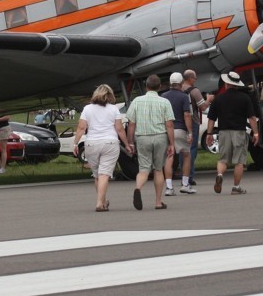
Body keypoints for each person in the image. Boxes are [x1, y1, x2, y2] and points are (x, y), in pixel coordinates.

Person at [73, 84, 133, 212]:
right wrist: (127, 144)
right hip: (110, 143)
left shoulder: (87, 109)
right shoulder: (113, 109)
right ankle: (100, 203)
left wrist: (75, 143)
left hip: (91, 144)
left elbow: (81, 128)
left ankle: (103, 201)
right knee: (104, 174)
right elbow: (119, 129)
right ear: (110, 95)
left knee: (97, 175)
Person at [124, 74, 174, 210]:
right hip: (160, 137)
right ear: (159, 87)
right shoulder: (165, 102)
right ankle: (158, 202)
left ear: (146, 86)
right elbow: (169, 125)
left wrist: (130, 142)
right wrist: (172, 144)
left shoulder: (136, 101)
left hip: (142, 137)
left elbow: (132, 124)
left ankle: (138, 188)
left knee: (144, 169)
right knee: (158, 169)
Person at [204, 72, 259, 195]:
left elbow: (211, 119)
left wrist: (209, 134)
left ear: (226, 83)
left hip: (223, 132)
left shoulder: (218, 98)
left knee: (223, 159)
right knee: (239, 161)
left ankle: (220, 175)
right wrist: (256, 133)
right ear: (237, 84)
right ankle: (236, 187)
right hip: (239, 132)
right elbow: (251, 118)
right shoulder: (245, 98)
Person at [162, 72, 194, 194]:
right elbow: (187, 114)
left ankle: (169, 187)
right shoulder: (184, 96)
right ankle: (185, 184)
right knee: (186, 155)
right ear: (181, 83)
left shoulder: (163, 96)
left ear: (170, 83)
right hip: (180, 129)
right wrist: (190, 132)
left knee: (169, 157)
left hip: (167, 130)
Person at [182, 69, 208, 187]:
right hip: (192, 121)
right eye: (195, 78)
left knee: (182, 149)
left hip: (180, 122)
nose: (196, 80)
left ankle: (183, 174)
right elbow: (202, 107)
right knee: (192, 149)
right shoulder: (195, 91)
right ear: (190, 78)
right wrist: (209, 100)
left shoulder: (178, 90)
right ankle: (189, 176)